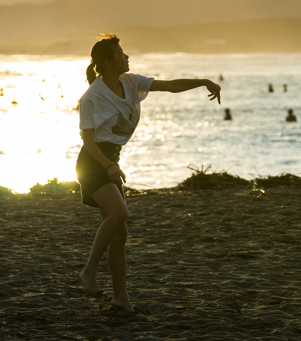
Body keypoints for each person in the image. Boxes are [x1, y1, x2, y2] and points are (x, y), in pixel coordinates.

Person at [76, 34, 221, 312]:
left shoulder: (130, 82)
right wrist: (109, 166)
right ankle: (89, 270)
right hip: (94, 163)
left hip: (110, 161)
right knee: (120, 214)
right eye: (120, 53)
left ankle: (121, 299)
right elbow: (88, 142)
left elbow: (170, 86)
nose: (126, 56)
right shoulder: (91, 98)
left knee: (119, 235)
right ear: (107, 63)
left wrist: (203, 81)